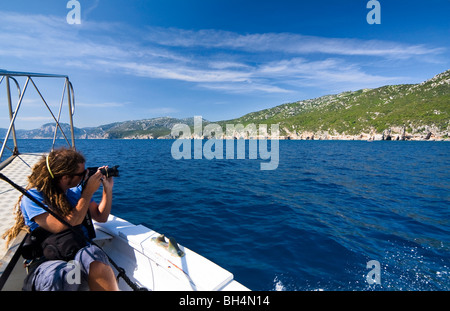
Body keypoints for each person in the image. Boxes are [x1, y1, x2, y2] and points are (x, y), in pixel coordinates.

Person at [2, 147, 119, 291]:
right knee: (66, 273)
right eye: (81, 174)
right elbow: (62, 225)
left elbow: (101, 217)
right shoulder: (33, 198)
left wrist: (107, 189)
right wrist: (88, 192)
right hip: (48, 260)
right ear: (65, 177)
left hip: (77, 253)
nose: (85, 176)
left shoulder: (76, 193)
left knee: (95, 256)